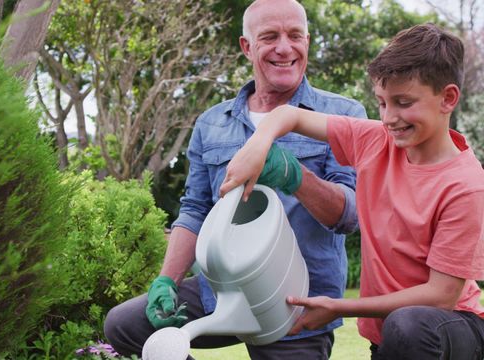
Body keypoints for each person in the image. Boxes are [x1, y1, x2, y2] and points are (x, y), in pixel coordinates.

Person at [104, 0, 367, 358]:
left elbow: (350, 215)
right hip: (223, 293)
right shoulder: (212, 123)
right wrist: (167, 280)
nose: (284, 48)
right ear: (247, 46)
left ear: (307, 41)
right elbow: (195, 209)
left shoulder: (343, 115)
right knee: (125, 324)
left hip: (295, 304)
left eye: (294, 36)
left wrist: (294, 175)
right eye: (269, 37)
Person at [220, 23, 484, 359]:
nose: (389, 118)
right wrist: (258, 146)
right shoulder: (375, 140)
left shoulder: (465, 186)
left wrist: (339, 306)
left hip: (450, 330)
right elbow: (287, 115)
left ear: (447, 98)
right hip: (394, 339)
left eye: (403, 102)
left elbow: (441, 295)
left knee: (408, 326)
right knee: (401, 329)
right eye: (382, 102)